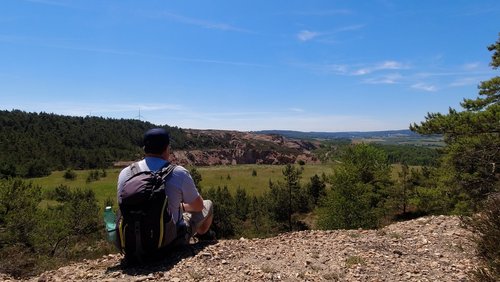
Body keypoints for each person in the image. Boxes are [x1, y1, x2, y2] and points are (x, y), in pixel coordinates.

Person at [117, 128, 214, 243]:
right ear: (167, 148)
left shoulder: (126, 172)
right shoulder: (178, 172)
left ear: (145, 148)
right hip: (168, 242)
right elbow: (198, 206)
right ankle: (203, 237)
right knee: (208, 205)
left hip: (130, 242)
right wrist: (181, 207)